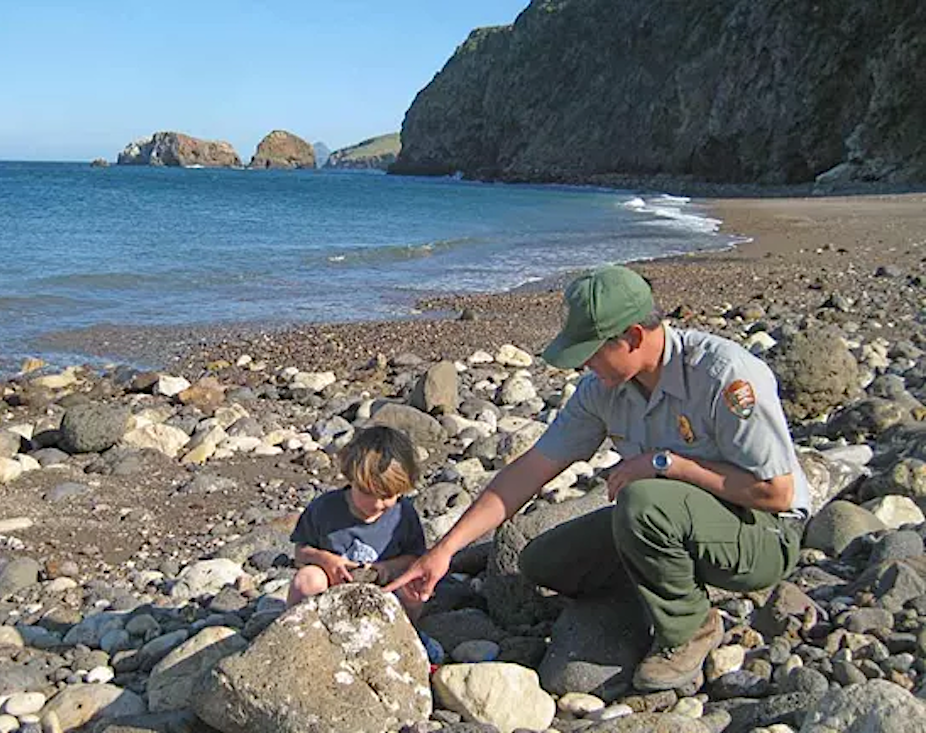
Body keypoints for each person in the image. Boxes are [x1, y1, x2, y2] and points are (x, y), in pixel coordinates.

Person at [386, 264, 810, 691]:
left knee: (643, 501)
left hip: (764, 533)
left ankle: (691, 629)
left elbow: (777, 492)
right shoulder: (604, 390)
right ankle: (660, 587)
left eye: (591, 350)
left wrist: (667, 464)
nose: (585, 363)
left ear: (633, 337)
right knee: (544, 563)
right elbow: (532, 469)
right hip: (674, 519)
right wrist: (444, 551)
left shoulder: (725, 375)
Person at [287, 425, 428, 618]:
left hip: (385, 593)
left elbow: (415, 559)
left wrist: (386, 569)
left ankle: (405, 636)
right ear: (350, 478)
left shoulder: (403, 515)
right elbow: (301, 552)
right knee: (307, 580)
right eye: (367, 493)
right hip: (333, 594)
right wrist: (327, 561)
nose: (377, 504)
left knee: (414, 586)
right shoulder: (324, 509)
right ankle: (300, 632)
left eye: (387, 496)